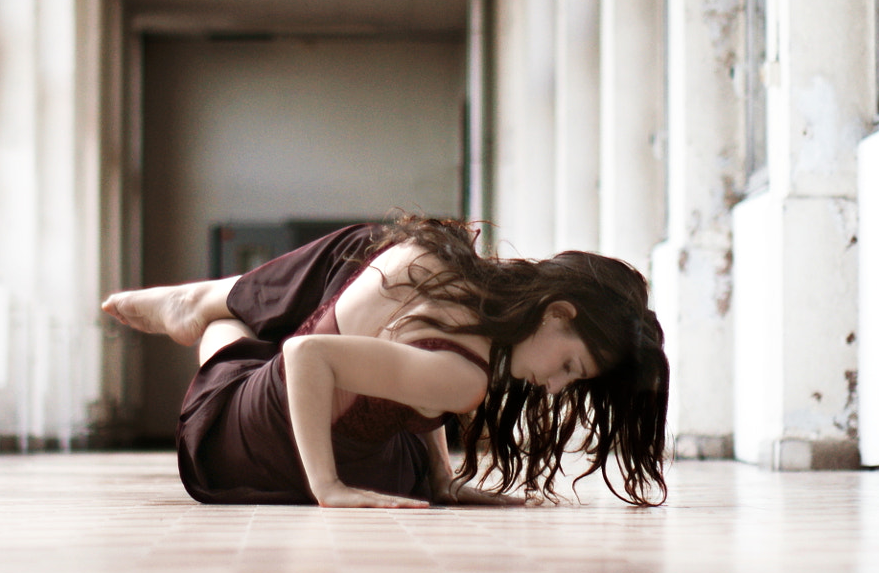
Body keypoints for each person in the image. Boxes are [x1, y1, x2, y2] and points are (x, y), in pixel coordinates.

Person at [101, 215, 669, 509]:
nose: (554, 388)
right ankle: (212, 313)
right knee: (243, 343)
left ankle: (211, 300)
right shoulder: (466, 379)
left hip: (261, 413)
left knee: (369, 246)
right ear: (557, 313)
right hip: (233, 445)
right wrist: (328, 488)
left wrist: (443, 478)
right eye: (570, 366)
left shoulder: (445, 272)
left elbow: (407, 387)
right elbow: (306, 355)